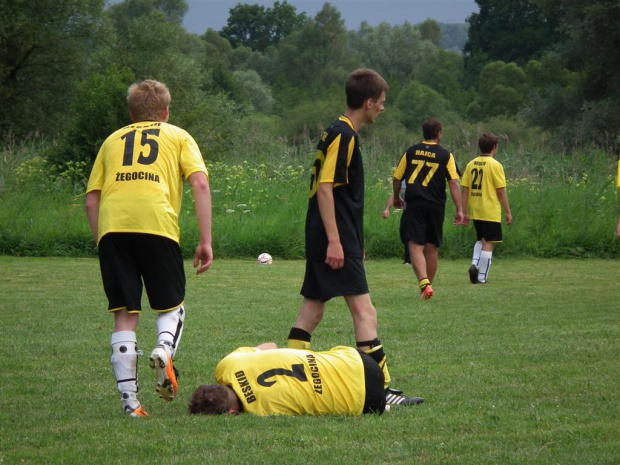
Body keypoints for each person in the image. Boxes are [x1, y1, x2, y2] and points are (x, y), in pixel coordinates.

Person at [285, 68, 419, 406]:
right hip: (335, 239)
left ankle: (285, 374)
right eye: (382, 103)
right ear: (369, 102)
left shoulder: (334, 131)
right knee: (365, 312)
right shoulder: (344, 135)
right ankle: (381, 392)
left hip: (323, 235)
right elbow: (327, 188)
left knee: (311, 313)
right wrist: (336, 241)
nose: (383, 109)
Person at [85, 79, 213, 417]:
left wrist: (103, 241)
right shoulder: (179, 136)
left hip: (113, 228)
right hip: (157, 225)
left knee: (125, 315)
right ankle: (164, 350)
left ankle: (131, 405)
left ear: (131, 114)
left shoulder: (111, 140)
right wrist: (205, 241)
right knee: (172, 307)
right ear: (166, 112)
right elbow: (199, 182)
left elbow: (91, 200)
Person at [188, 343, 423, 416]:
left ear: (231, 413)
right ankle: (388, 389)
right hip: (361, 362)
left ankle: (388, 402)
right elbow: (269, 346)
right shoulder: (227, 366)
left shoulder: (260, 411)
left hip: (365, 403)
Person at [392, 119, 463, 300]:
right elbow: (454, 182)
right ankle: (425, 289)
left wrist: (395, 196)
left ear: (423, 133)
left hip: (415, 203)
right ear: (439, 134)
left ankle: (424, 282)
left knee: (415, 245)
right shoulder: (446, 155)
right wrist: (460, 209)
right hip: (436, 206)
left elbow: (397, 177)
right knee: (432, 249)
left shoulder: (411, 151)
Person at [461, 132, 512, 284]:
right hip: (490, 210)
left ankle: (474, 264)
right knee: (489, 243)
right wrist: (508, 211)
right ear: (494, 147)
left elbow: (465, 189)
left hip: (475, 210)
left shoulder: (471, 164)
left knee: (481, 240)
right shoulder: (495, 165)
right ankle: (482, 277)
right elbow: (500, 191)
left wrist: (464, 212)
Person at [382, 180, 410, 264]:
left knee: (412, 234)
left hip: (418, 211)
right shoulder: (403, 180)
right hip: (407, 212)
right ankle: (408, 260)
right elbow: (395, 194)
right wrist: (387, 209)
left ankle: (410, 259)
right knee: (404, 232)